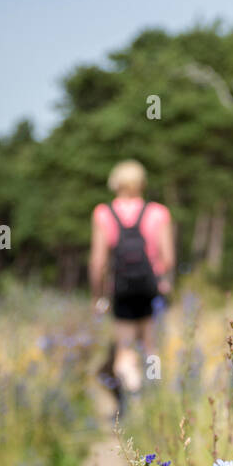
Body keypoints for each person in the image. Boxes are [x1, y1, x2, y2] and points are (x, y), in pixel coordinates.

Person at [89, 160, 174, 401]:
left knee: (124, 349)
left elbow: (97, 262)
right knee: (151, 347)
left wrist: (98, 296)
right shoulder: (159, 212)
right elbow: (168, 259)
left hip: (121, 288)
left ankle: (133, 396)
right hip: (151, 287)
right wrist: (163, 281)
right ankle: (155, 398)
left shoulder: (103, 213)